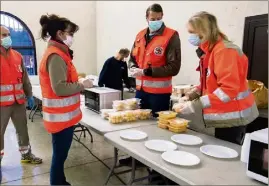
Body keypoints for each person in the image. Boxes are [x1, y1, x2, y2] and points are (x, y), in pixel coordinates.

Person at [173, 11, 259, 144]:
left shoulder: (225, 51)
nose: (191, 37)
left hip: (234, 117)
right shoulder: (209, 51)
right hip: (222, 114)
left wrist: (195, 105)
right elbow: (208, 82)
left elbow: (228, 90)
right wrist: (190, 95)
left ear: (203, 31)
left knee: (227, 157)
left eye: (192, 32)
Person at [38, 14, 93, 185]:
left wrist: (78, 82)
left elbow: (64, 82)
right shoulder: (56, 56)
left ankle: (61, 181)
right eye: (71, 33)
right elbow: (60, 88)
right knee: (59, 156)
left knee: (60, 155)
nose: (72, 37)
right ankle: (57, 183)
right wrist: (82, 85)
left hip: (63, 117)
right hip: (61, 118)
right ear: (60, 34)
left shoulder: (60, 54)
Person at [129, 3, 181, 117]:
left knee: (157, 128)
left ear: (162, 16)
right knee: (139, 122)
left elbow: (174, 67)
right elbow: (132, 58)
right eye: (152, 19)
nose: (156, 21)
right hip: (140, 91)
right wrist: (132, 67)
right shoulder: (140, 35)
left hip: (159, 95)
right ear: (146, 18)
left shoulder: (171, 36)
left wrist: (146, 72)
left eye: (158, 18)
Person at [0, 25, 42, 166]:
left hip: (18, 101)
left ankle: (26, 154)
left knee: (22, 129)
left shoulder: (17, 56)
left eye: (8, 34)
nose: (7, 38)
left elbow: (24, 78)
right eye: (4, 35)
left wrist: (29, 94)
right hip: (1, 105)